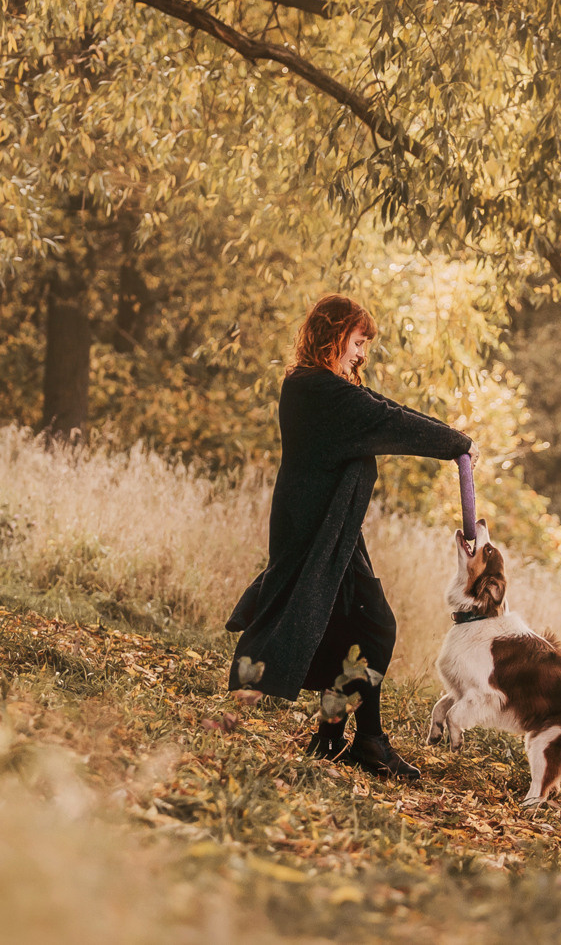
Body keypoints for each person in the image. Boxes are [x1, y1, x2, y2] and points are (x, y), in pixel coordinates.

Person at [226, 294, 473, 779]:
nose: (362, 353)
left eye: (365, 344)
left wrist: (454, 438)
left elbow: (383, 407)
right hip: (318, 532)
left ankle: (335, 736)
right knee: (376, 627)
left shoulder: (315, 387)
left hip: (330, 529)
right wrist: (456, 444)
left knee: (351, 629)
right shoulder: (316, 391)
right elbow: (389, 420)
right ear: (333, 334)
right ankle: (365, 740)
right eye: (358, 341)